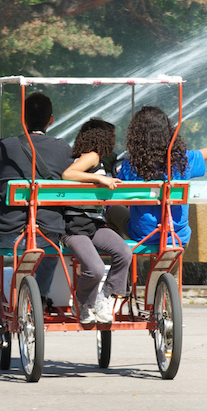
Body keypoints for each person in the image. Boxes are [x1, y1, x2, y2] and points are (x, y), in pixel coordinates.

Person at [0, 93, 73, 349]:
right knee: (51, 250)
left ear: (23, 119)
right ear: (51, 120)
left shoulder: (5, 146)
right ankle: (42, 296)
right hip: (46, 233)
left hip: (8, 233)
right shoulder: (63, 148)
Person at [107, 105, 207, 245]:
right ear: (168, 133)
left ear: (137, 136)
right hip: (178, 236)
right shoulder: (184, 160)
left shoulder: (131, 165)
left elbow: (119, 195)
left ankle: (121, 257)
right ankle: (173, 279)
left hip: (143, 235)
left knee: (112, 210)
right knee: (174, 248)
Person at [61, 118, 132, 324]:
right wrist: (100, 179)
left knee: (124, 252)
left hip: (94, 223)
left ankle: (105, 297)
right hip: (74, 226)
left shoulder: (99, 160)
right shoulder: (91, 157)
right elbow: (68, 175)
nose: (114, 142)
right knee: (96, 269)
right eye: (112, 138)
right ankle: (84, 302)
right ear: (104, 138)